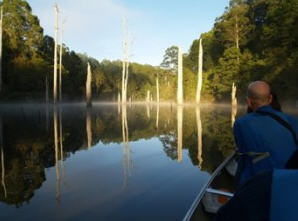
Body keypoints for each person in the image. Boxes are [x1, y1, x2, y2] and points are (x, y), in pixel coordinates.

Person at [234, 81, 298, 185]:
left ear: (248, 102)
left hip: (262, 184)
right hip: (291, 180)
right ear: (270, 98)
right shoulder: (292, 121)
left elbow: (243, 155)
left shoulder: (241, 123)